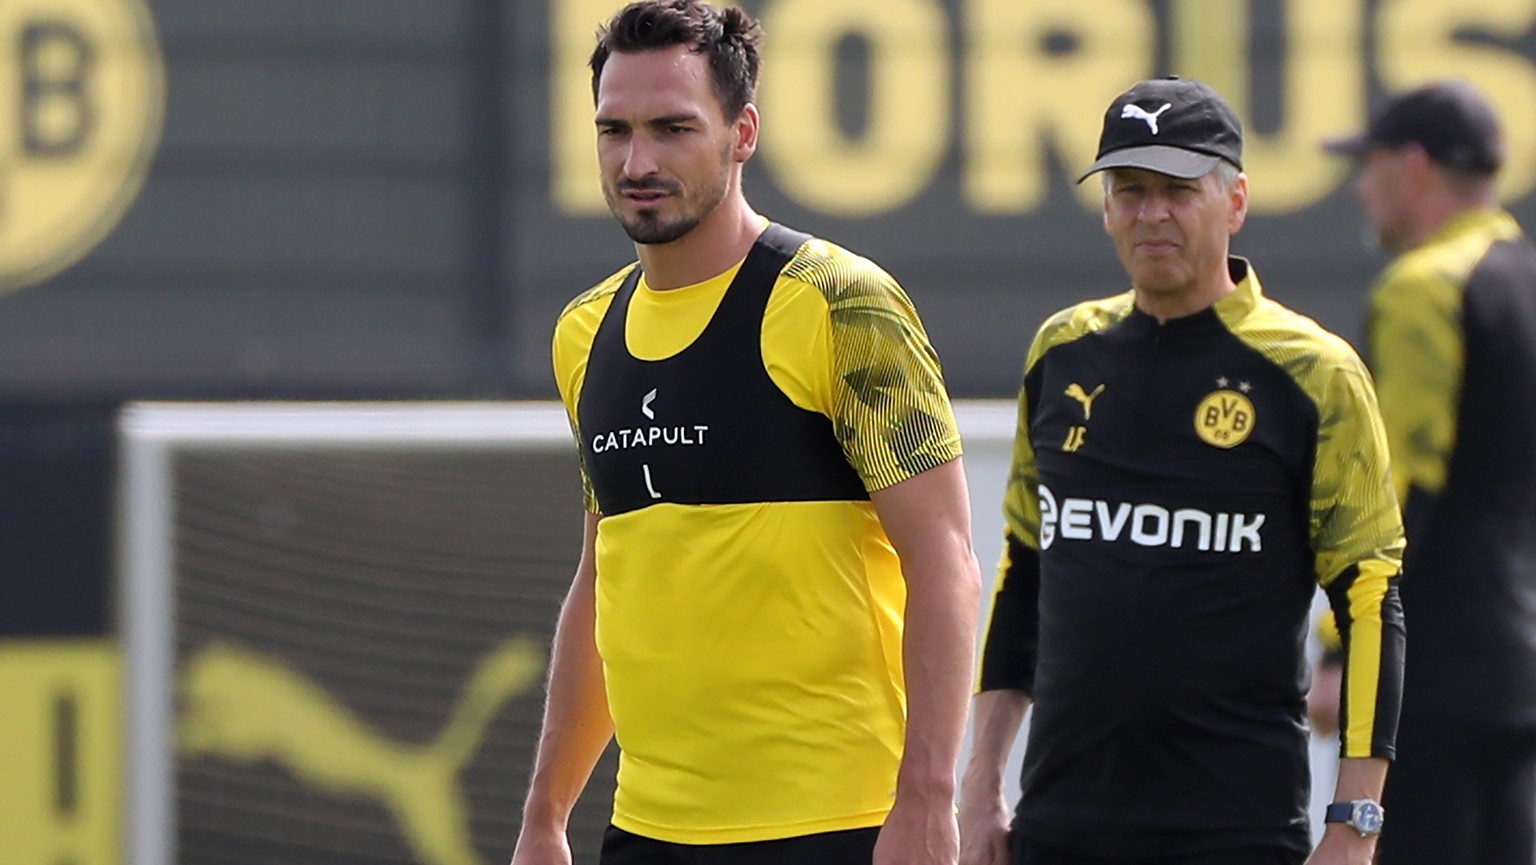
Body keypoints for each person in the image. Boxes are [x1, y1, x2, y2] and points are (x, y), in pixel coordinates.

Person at [507, 3, 983, 865]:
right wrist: (546, 813)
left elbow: (945, 558)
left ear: (743, 132)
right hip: (648, 832)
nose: (637, 161)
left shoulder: (839, 303)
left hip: (838, 827)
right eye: (613, 130)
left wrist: (927, 798)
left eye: (672, 128)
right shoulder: (585, 333)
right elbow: (605, 578)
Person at [956, 76, 1407, 865]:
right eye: (1129, 190)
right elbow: (1025, 574)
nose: (1150, 213)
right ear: (1105, 209)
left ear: (1234, 203)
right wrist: (982, 777)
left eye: (1177, 189)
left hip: (1233, 832)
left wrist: (1354, 824)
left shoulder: (1313, 373)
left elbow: (1371, 597)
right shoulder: (1062, 352)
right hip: (1060, 825)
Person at [1320, 79, 1536, 865]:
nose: (1360, 186)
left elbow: (1398, 491)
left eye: (1370, 163)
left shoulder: (1423, 286)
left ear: (1412, 167)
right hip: (1518, 662)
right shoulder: (1525, 274)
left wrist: (1341, 648)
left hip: (1436, 672)